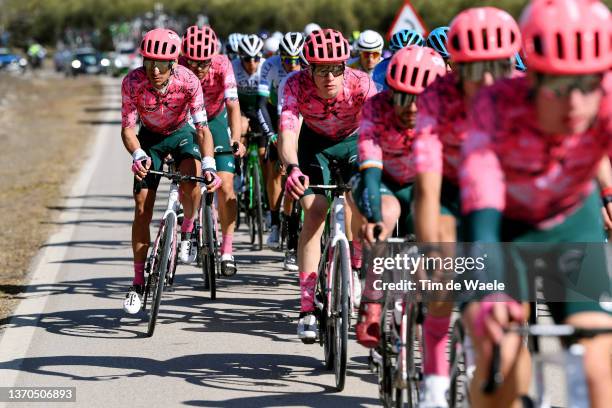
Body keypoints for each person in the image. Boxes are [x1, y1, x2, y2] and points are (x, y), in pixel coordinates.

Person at [460, 1, 612, 407]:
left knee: (599, 367)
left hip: (571, 224)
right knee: (500, 361)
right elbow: (482, 193)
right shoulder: (495, 107)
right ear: (533, 77)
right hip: (501, 227)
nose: (576, 104)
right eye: (560, 87)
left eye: (590, 83)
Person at [412, 7, 523, 407]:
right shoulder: (435, 99)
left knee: (511, 309)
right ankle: (435, 383)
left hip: (497, 194)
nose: (490, 80)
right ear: (455, 69)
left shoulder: (525, 94)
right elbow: (426, 187)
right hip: (448, 189)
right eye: (476, 70)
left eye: (500, 67)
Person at [278, 28, 377, 342]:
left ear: (344, 67)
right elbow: (289, 131)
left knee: (361, 201)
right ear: (310, 69)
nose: (330, 77)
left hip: (353, 143)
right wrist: (291, 167)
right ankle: (307, 308)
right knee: (316, 212)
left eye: (336, 69)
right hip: (313, 146)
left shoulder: (362, 83)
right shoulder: (294, 84)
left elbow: (378, 129)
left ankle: (357, 267)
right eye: (322, 70)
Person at [351, 45, 447, 349]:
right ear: (390, 93)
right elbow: (370, 164)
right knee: (387, 215)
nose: (412, 109)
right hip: (380, 181)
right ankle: (373, 303)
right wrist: (375, 219)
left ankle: (416, 309)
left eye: (421, 100)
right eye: (403, 99)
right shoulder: (375, 108)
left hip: (421, 184)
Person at [121, 28, 220, 314]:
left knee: (192, 179)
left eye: (161, 64)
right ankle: (138, 282)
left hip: (181, 134)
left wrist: (210, 163)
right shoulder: (132, 82)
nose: (154, 70)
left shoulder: (189, 80)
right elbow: (128, 128)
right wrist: (138, 153)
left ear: (173, 63)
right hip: (149, 137)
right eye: (148, 62)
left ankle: (188, 228)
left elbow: (202, 128)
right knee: (141, 209)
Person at [180, 25, 246, 276]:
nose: (197, 67)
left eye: (203, 62)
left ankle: (227, 250)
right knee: (192, 180)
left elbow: (233, 105)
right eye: (192, 62)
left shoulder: (222, 64)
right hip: (186, 118)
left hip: (214, 117)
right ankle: (187, 224)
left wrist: (236, 138)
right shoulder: (178, 63)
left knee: (227, 187)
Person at [256, 32, 305, 253]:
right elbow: (262, 105)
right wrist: (272, 135)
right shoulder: (270, 66)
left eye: (297, 60)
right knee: (274, 166)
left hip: (305, 117)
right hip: (278, 113)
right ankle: (275, 220)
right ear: (280, 56)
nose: (292, 65)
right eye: (287, 60)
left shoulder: (307, 71)